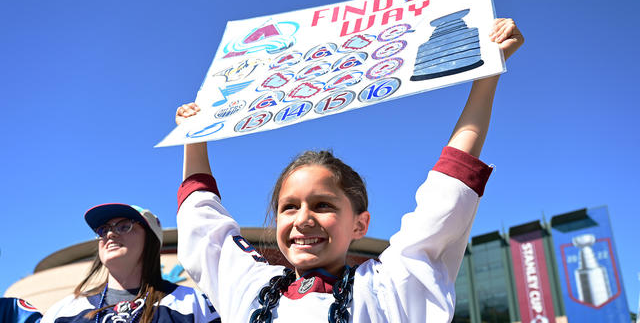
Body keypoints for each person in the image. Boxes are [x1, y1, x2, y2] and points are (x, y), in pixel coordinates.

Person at [174, 18, 524, 322]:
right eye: (289, 206)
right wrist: (194, 137)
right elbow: (202, 223)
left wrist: (487, 75)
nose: (303, 219)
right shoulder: (247, 287)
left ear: (360, 224)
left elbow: (447, 193)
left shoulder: (388, 288)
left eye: (323, 205)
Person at [41, 203, 220, 323]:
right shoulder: (64, 312)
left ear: (151, 240)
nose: (110, 234)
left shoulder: (192, 303)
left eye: (124, 226)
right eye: (103, 230)